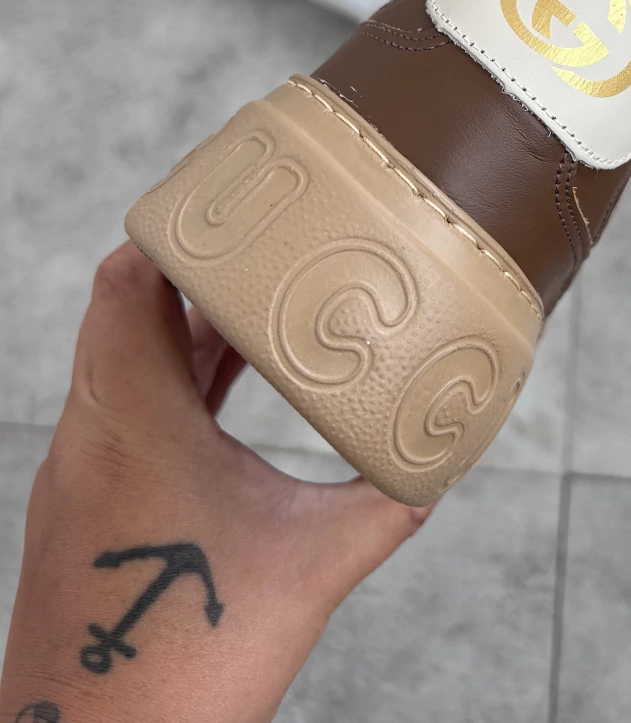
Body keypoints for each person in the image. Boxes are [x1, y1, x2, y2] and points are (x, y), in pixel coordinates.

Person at [0, 243, 433, 723]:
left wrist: (118, 563)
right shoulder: (185, 561)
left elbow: (161, 565)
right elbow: (175, 571)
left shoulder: (181, 562)